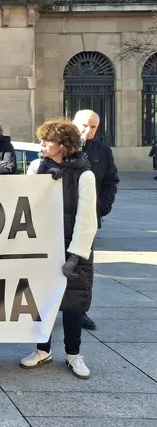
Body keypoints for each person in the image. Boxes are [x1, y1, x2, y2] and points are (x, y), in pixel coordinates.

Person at [20, 118, 97, 379]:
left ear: (63, 145)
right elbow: (25, 203)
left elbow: (87, 218)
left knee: (74, 303)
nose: (42, 144)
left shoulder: (84, 174)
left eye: (47, 140)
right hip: (42, 245)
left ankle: (73, 354)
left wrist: (75, 255)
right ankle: (42, 349)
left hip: (71, 248)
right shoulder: (35, 167)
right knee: (42, 301)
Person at [73, 109, 119, 331]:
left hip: (88, 221)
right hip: (60, 219)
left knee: (83, 268)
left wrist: (103, 207)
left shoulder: (102, 151)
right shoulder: (63, 147)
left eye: (92, 127)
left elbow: (111, 180)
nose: (87, 130)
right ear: (74, 124)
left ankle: (80, 312)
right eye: (84, 125)